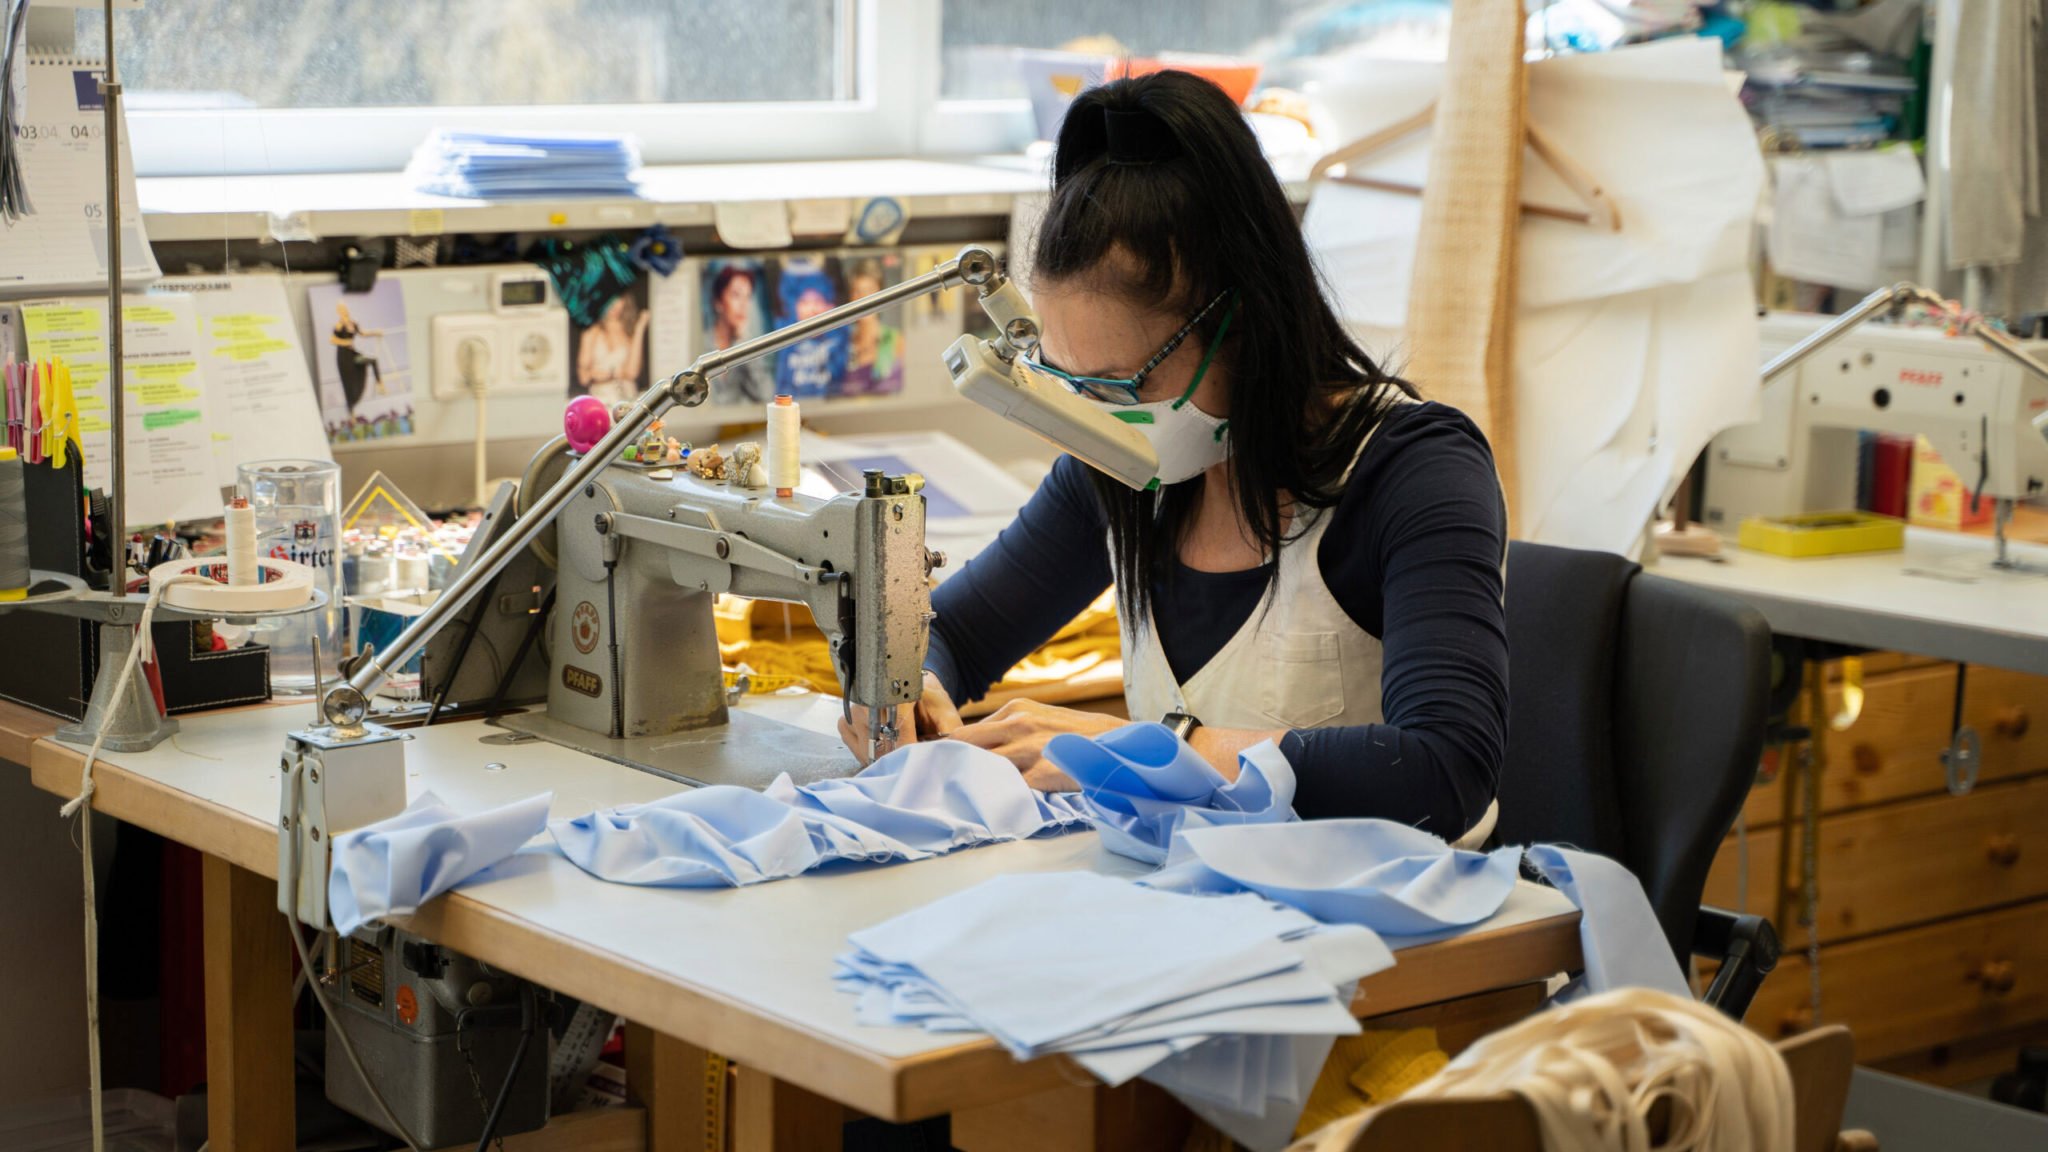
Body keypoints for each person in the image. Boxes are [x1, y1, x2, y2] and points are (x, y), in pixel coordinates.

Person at [839, 71, 1508, 846]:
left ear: (1245, 322)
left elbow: (1447, 769)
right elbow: (954, 632)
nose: (1099, 416)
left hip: (1403, 925)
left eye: (1123, 383)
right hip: (1201, 909)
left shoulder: (1412, 471)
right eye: (1072, 384)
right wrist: (900, 691)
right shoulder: (1121, 472)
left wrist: (1149, 751)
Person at [707, 261, 774, 405]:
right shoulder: (703, 342)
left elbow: (765, 396)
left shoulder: (742, 347)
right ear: (718, 302)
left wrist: (744, 342)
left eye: (748, 297)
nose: (743, 304)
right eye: (736, 295)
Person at [577, 292, 651, 405]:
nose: (614, 305)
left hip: (627, 397)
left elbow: (632, 372)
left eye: (618, 300)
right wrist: (614, 374)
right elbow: (584, 376)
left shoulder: (629, 331)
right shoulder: (591, 331)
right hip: (599, 399)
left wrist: (640, 327)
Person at [329, 301, 384, 414]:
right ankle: (351, 412)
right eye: (340, 309)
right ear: (338, 312)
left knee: (372, 360)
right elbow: (332, 340)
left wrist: (376, 332)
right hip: (343, 358)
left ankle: (379, 384)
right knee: (349, 385)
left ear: (347, 308)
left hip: (353, 355)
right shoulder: (339, 325)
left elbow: (362, 333)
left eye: (344, 307)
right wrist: (346, 342)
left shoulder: (353, 322)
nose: (343, 310)